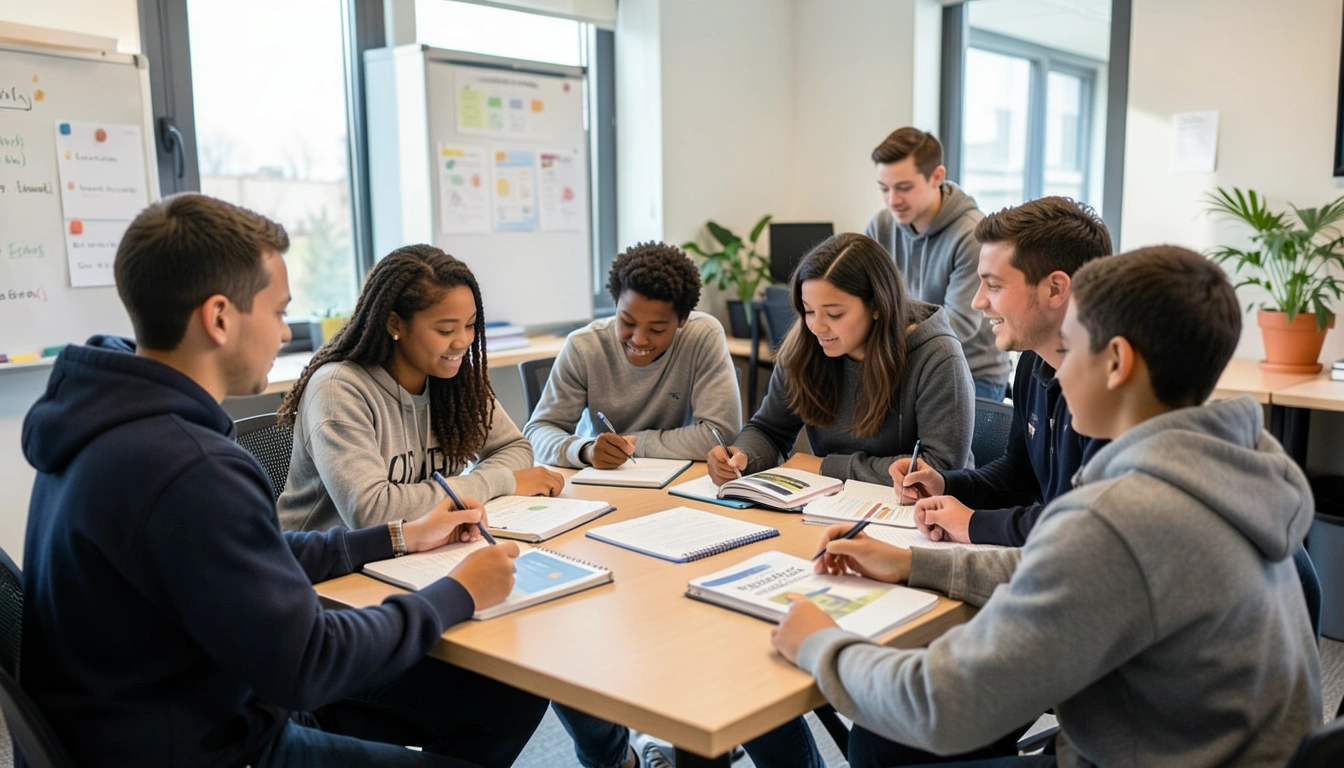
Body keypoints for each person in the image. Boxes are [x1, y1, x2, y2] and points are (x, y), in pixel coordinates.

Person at [20, 193, 549, 767]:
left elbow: (253, 554)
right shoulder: (188, 469)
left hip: (166, 715)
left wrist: (397, 537)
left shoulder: (110, 421)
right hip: (214, 745)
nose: (282, 335)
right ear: (219, 317)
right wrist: (457, 593)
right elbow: (309, 664)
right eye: (277, 313)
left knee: (504, 695)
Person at [773, 245, 1321, 767]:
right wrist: (914, 563)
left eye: (1069, 348)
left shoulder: (1122, 516)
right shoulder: (1228, 465)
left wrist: (821, 643)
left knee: (889, 738)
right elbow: (1068, 565)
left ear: (1116, 362)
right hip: (1214, 749)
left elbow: (941, 706)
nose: (1054, 373)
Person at [277, 244, 564, 534]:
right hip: (329, 559)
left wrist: (473, 488)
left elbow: (514, 447)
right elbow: (373, 513)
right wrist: (498, 482)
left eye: (470, 325)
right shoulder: (338, 390)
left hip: (420, 547)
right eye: (445, 330)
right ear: (395, 324)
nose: (463, 341)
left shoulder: (454, 379)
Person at [891, 197, 1113, 546]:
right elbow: (1019, 475)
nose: (977, 301)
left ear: (1055, 288)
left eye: (993, 285)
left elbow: (1079, 523)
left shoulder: (1114, 389)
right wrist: (946, 485)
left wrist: (973, 524)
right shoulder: (1033, 361)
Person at [707, 232, 973, 486]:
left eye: (834, 314)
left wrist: (825, 467)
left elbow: (939, 468)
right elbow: (768, 430)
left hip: (916, 511)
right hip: (831, 502)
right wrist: (742, 456)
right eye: (809, 311)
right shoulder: (805, 346)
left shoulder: (937, 356)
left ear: (878, 306)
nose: (817, 327)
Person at [525, 241, 741, 469]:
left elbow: (721, 434)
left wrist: (631, 443)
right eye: (627, 322)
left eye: (657, 329)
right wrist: (585, 450)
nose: (639, 340)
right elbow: (537, 431)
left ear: (682, 319)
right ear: (616, 305)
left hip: (678, 477)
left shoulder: (703, 336)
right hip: (599, 475)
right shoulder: (583, 347)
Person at [864, 127, 1011, 400]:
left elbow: (958, 324)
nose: (893, 200)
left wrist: (884, 331)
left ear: (937, 177)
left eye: (904, 188)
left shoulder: (971, 234)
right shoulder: (880, 226)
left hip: (972, 370)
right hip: (907, 361)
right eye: (884, 188)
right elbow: (863, 295)